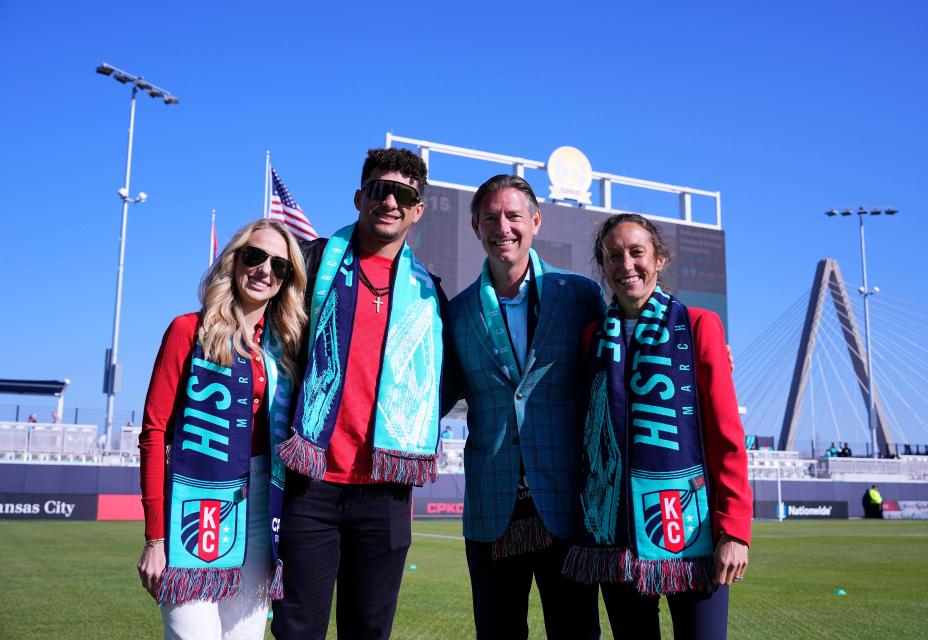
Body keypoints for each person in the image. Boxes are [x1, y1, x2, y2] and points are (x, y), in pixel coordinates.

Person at [272, 148, 446, 640]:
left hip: (386, 487)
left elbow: (440, 383)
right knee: (296, 629)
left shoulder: (430, 293)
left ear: (417, 210)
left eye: (404, 194)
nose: (390, 200)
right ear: (359, 197)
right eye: (378, 189)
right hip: (311, 479)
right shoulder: (310, 264)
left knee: (369, 630)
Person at [562, 214, 751, 640]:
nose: (625, 264)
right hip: (616, 538)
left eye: (636, 252)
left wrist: (735, 529)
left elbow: (726, 436)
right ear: (603, 266)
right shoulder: (592, 336)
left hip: (694, 535)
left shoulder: (698, 326)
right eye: (613, 256)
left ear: (660, 259)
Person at [446, 174, 604, 639]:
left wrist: (693, 348)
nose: (503, 227)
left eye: (514, 215)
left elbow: (616, 369)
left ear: (535, 221)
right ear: (475, 227)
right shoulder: (456, 314)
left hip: (566, 506)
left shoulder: (579, 295)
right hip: (491, 510)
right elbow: (429, 395)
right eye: (490, 217)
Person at [137, 219, 308, 639]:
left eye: (280, 266)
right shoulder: (187, 330)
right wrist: (155, 539)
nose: (265, 270)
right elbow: (154, 433)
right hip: (194, 514)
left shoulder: (285, 348)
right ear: (233, 262)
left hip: (262, 514)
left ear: (287, 281)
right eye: (255, 256)